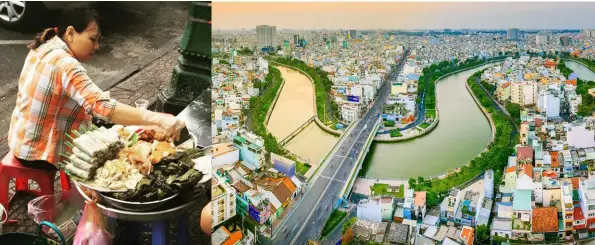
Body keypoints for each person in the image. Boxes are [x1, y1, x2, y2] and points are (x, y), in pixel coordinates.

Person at [7, 4, 184, 172]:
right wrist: (157, 118)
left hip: (21, 140)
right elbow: (102, 107)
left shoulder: (46, 45)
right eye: (92, 39)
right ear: (70, 33)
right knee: (113, 159)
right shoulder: (65, 63)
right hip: (38, 154)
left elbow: (82, 97)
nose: (97, 47)